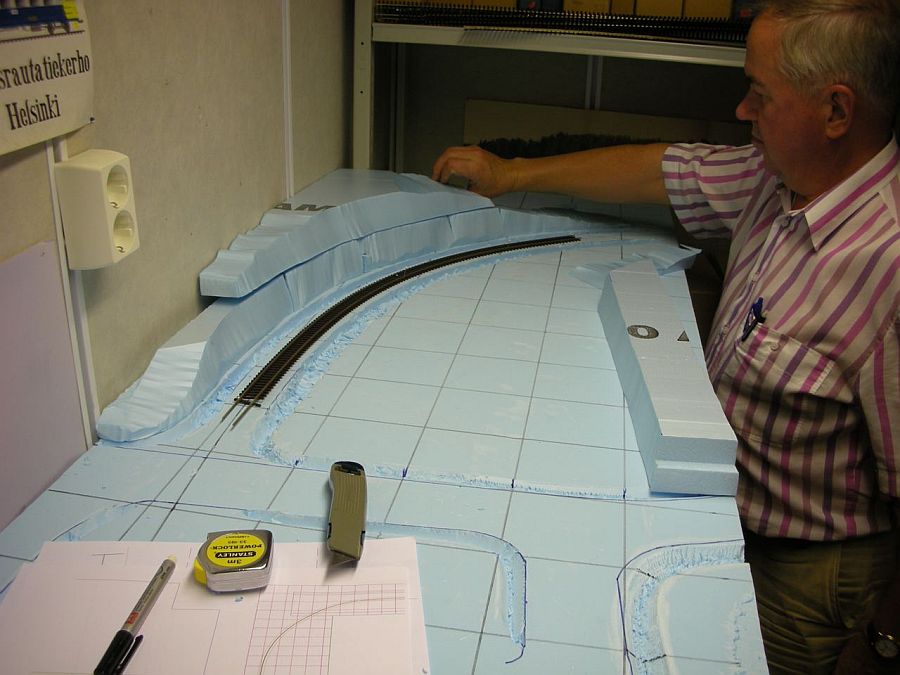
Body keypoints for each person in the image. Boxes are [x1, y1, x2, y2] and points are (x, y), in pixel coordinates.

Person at [432, 1, 899, 673]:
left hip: (807, 576)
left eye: (760, 94)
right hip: (727, 512)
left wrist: (881, 643)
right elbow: (662, 169)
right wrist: (511, 174)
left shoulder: (887, 265)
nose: (741, 110)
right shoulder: (777, 177)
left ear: (835, 111)